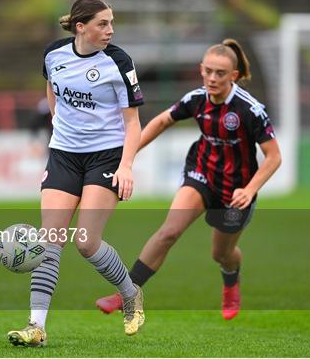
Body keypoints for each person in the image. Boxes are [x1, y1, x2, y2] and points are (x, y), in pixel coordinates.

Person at [95, 39, 281, 320]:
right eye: (208, 71)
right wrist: (127, 157)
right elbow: (160, 122)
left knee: (221, 254)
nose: (212, 78)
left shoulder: (249, 110)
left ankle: (231, 280)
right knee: (169, 231)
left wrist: (250, 189)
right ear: (201, 69)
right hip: (200, 175)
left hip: (235, 190)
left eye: (220, 73)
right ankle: (126, 293)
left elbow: (274, 157)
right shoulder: (196, 99)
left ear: (233, 76)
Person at [7, 0, 145, 347]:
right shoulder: (54, 54)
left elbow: (133, 124)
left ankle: (130, 294)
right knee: (48, 242)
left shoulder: (118, 61)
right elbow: (51, 92)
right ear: (80, 27)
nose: (110, 30)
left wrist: (126, 166)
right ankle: (36, 327)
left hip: (106, 157)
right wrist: (60, 133)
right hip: (64, 156)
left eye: (112, 23)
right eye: (102, 23)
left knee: (85, 242)